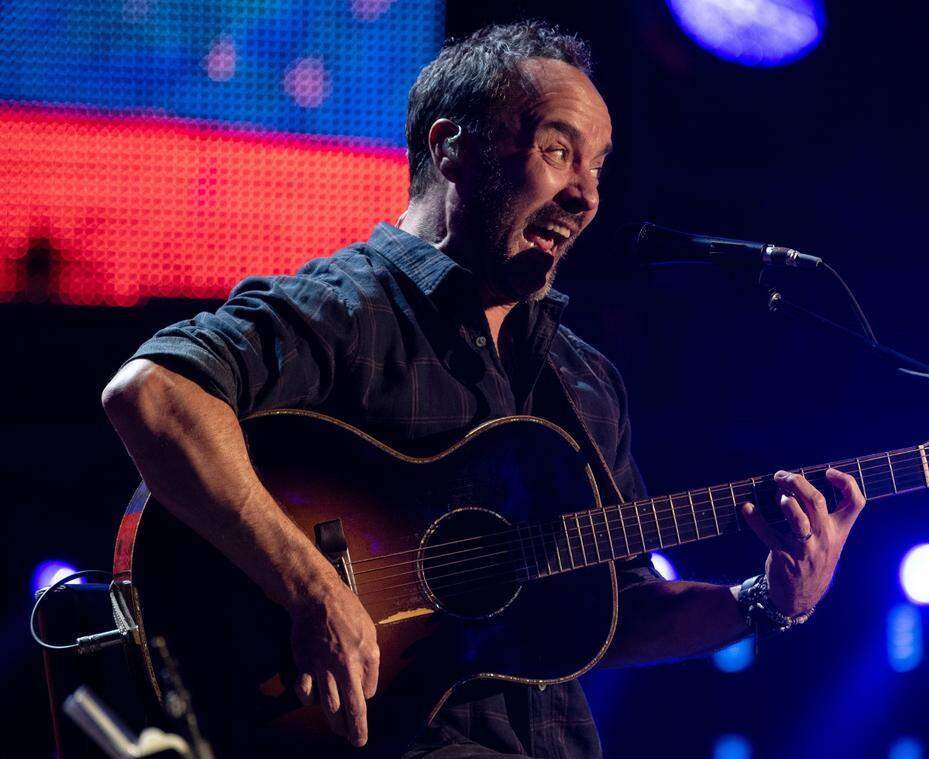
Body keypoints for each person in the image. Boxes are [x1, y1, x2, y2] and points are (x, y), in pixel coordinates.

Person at [101, 21, 870, 757]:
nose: (586, 195)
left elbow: (618, 610)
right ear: (452, 148)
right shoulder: (343, 310)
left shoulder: (584, 380)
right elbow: (153, 392)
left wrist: (768, 600)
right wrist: (309, 585)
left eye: (597, 166)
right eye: (558, 150)